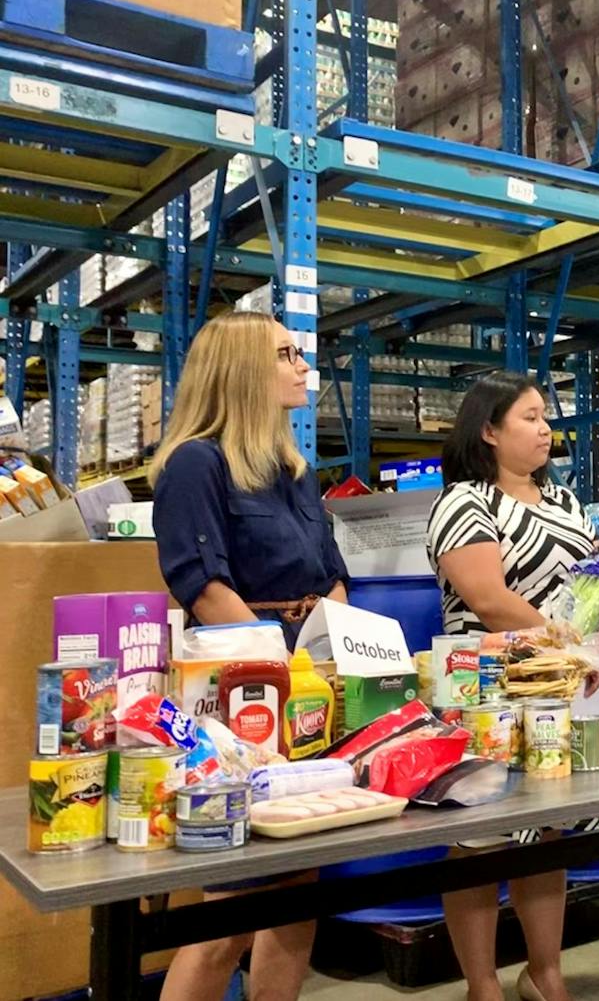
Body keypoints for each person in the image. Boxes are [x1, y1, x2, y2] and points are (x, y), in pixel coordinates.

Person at [150, 311, 349, 1001]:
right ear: (241, 371)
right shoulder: (194, 464)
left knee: (296, 892)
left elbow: (331, 575)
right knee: (226, 915)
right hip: (237, 699)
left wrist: (334, 661)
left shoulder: (297, 471)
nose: (303, 366)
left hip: (307, 688)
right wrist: (284, 674)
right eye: (288, 353)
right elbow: (204, 589)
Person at [427, 371, 599, 1001]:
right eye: (529, 417)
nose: (545, 427)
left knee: (548, 830)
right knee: (479, 838)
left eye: (545, 416)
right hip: (486, 692)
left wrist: (595, 636)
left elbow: (593, 584)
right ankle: (483, 985)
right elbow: (488, 599)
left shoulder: (565, 503)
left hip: (559, 691)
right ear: (489, 430)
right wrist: (567, 640)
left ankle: (545, 971)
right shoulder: (462, 502)